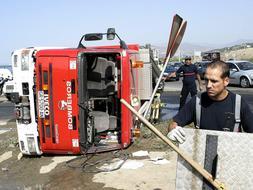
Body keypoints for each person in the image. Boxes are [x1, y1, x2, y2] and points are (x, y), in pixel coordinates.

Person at [167, 60, 253, 143]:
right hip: (204, 154)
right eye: (206, 80)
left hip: (231, 154)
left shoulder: (238, 103)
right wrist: (173, 130)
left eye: (214, 81)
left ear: (226, 81)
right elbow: (174, 123)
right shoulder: (197, 101)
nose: (208, 85)